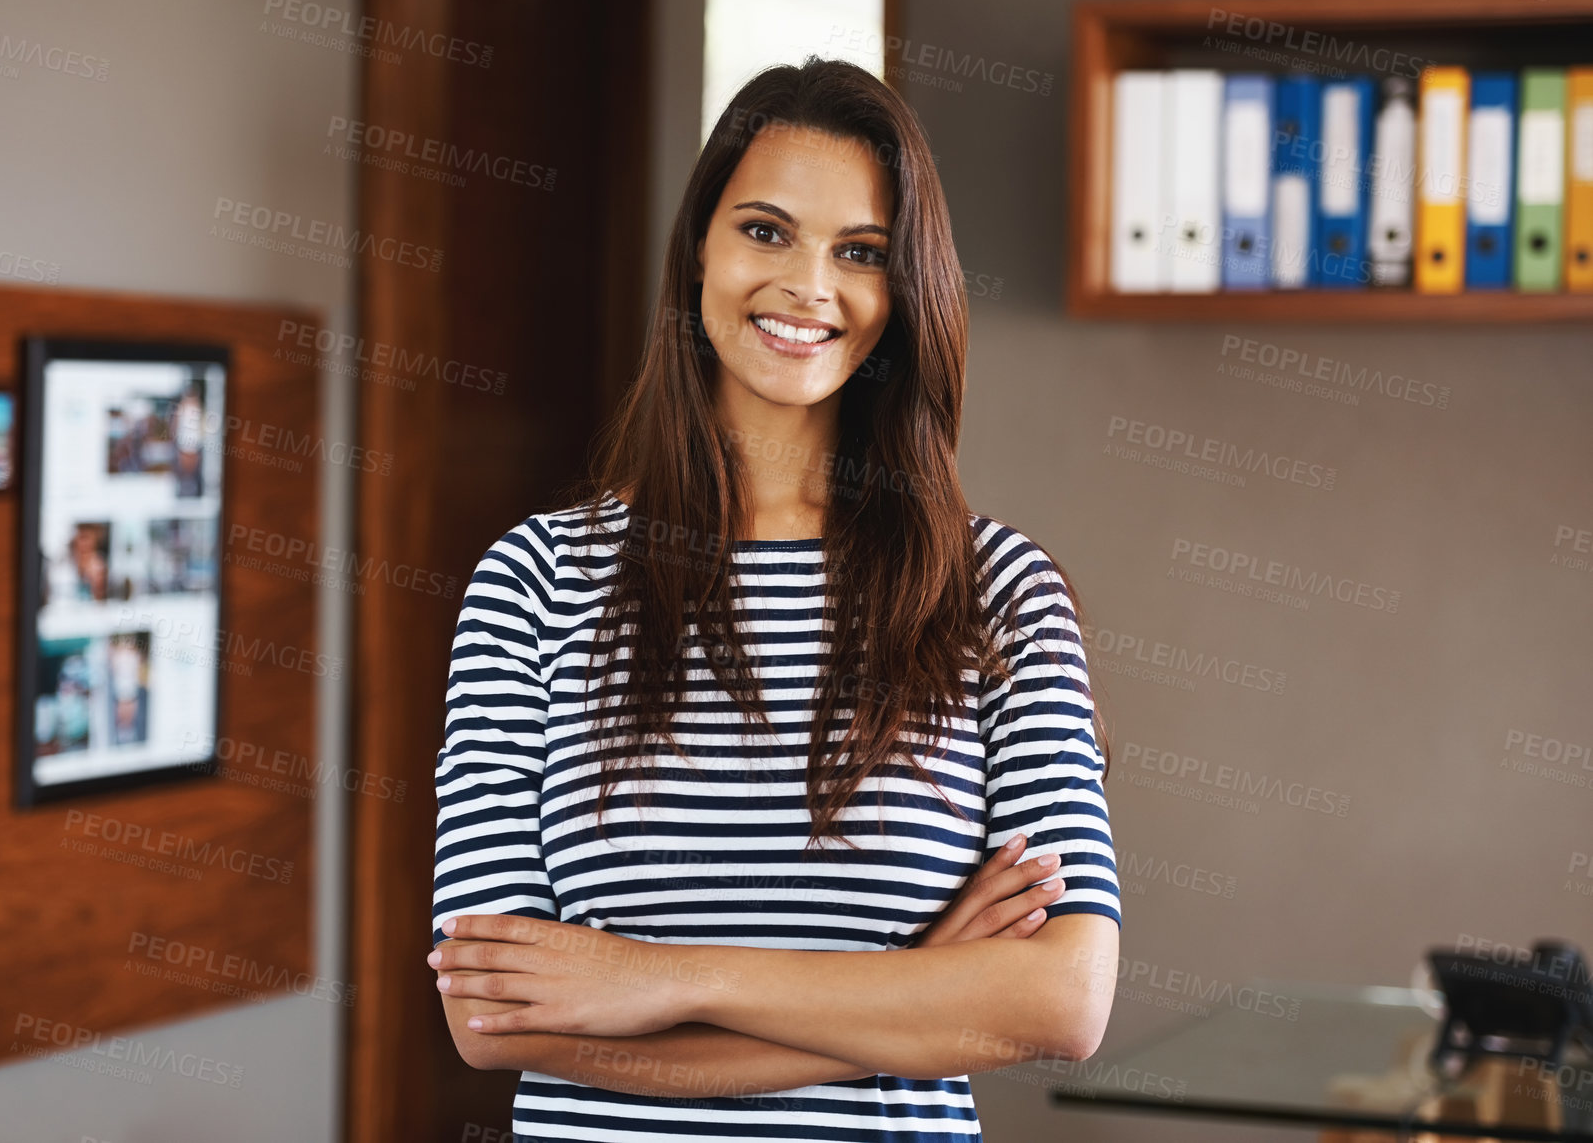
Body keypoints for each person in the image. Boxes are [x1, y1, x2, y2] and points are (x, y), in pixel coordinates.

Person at [428, 57, 1120, 1141]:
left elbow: (1063, 999)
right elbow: (492, 1015)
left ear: (903, 294)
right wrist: (919, 986)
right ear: (697, 248)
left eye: (860, 253)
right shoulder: (535, 583)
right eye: (765, 230)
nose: (809, 287)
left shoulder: (997, 594)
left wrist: (659, 978)